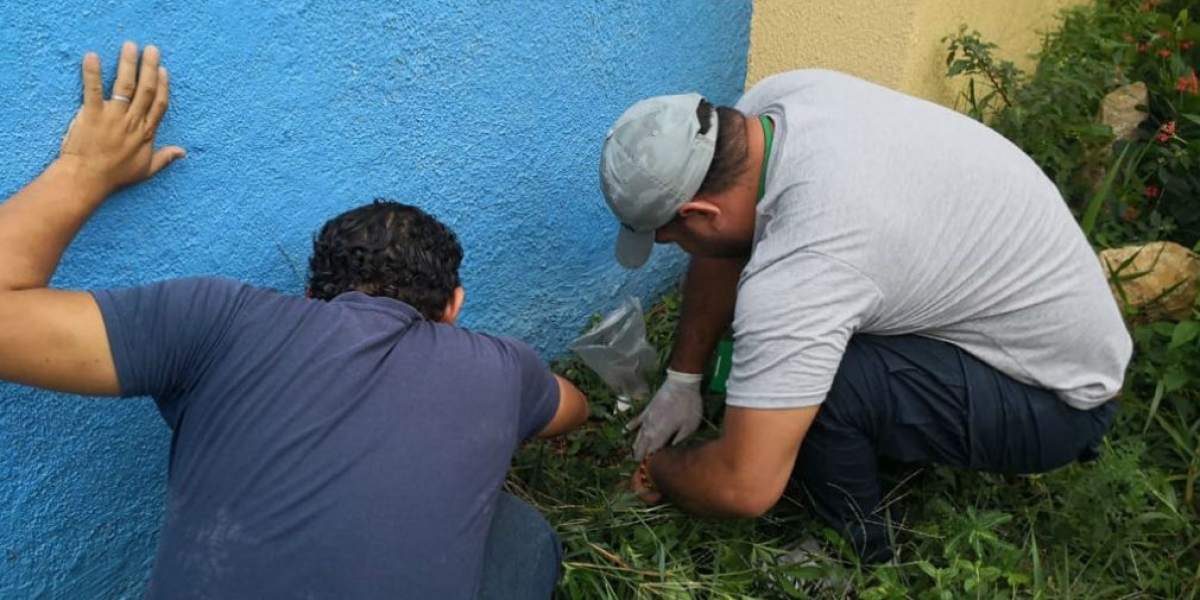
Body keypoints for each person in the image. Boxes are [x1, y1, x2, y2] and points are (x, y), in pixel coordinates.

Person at [0, 42, 587, 599]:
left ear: (309, 295)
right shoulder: (502, 368)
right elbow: (572, 408)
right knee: (521, 536)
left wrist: (84, 169)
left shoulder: (217, 320)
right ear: (453, 308)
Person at [599, 69, 1131, 563]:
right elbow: (721, 246)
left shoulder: (806, 267)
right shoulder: (776, 106)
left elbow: (743, 486)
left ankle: (852, 552)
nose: (678, 248)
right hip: (1052, 327)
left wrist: (662, 470)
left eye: (672, 237)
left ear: (699, 213)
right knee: (795, 360)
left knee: (829, 385)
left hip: (1056, 401)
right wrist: (683, 379)